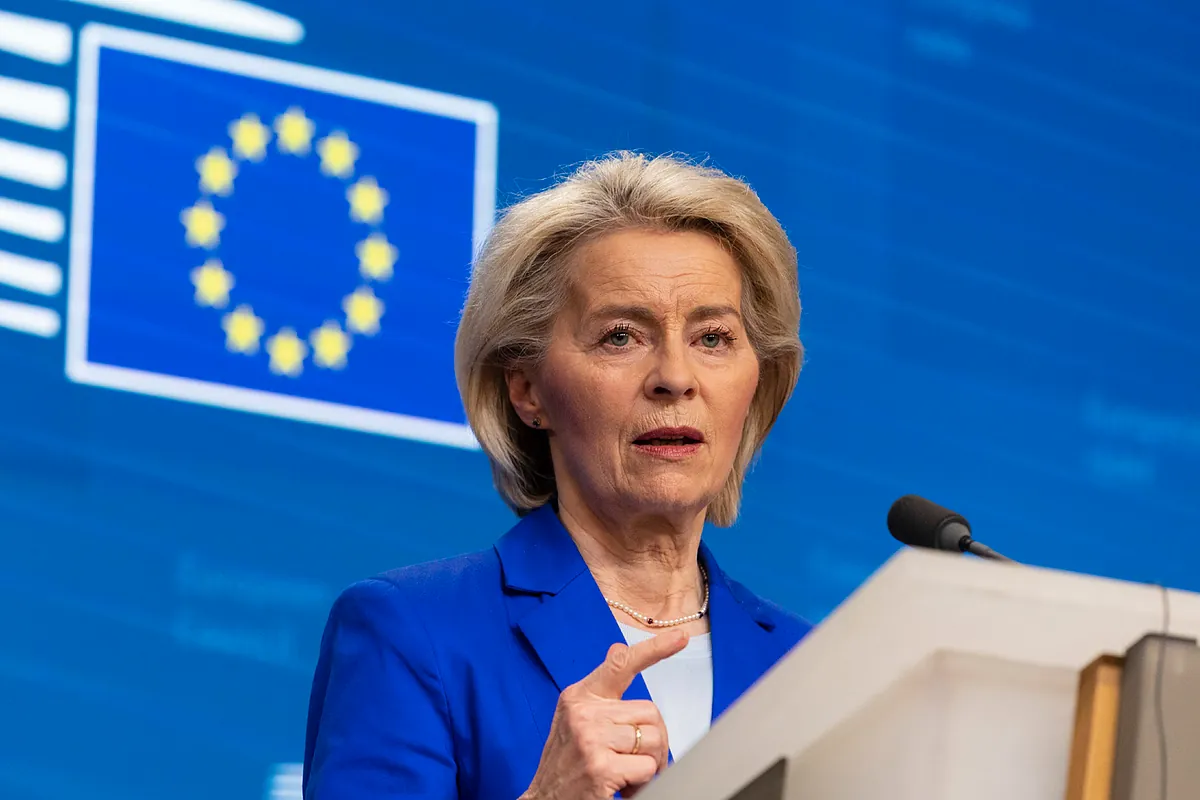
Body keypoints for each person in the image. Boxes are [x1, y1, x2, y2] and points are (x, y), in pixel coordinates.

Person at [302, 152, 811, 800]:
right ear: (527, 390)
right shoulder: (412, 634)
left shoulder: (807, 665)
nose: (675, 377)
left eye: (712, 338)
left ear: (757, 380)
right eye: (621, 336)